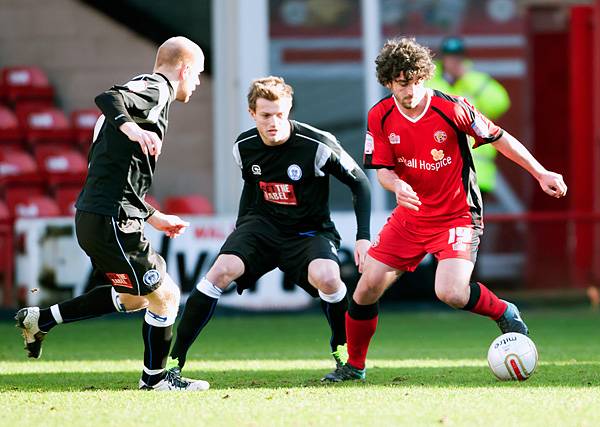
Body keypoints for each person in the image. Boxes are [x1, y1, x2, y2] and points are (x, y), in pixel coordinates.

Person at [323, 37, 567, 382]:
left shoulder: (452, 108)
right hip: (410, 218)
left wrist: (540, 172)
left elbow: (500, 137)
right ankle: (354, 367)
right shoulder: (380, 115)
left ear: (426, 76)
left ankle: (504, 310)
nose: (411, 91)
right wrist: (397, 185)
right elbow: (383, 171)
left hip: (457, 214)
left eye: (416, 81)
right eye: (402, 83)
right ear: (389, 82)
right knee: (366, 288)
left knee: (450, 293)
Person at [15, 36, 209, 391]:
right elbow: (107, 98)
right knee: (167, 296)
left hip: (99, 216)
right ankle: (155, 381)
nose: (197, 83)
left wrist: (155, 217)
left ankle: (41, 319)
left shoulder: (142, 89)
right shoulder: (156, 89)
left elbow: (117, 178)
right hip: (111, 220)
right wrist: (131, 126)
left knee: (136, 297)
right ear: (184, 69)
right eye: (197, 75)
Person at [168, 76, 371, 371]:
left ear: (288, 110)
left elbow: (361, 184)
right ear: (252, 114)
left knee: (328, 277)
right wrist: (242, 227)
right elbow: (251, 186)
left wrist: (363, 236)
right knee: (220, 272)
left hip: (309, 231)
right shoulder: (244, 146)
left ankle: (342, 353)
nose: (274, 122)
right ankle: (174, 360)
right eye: (265, 115)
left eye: (280, 114)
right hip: (262, 227)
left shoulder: (318, 145)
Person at [428, 36, 511, 194]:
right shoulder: (431, 82)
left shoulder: (475, 80)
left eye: (458, 57)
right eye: (450, 57)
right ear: (443, 59)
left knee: (472, 218)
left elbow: (500, 103)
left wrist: (467, 79)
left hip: (478, 172)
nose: (454, 62)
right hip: (441, 170)